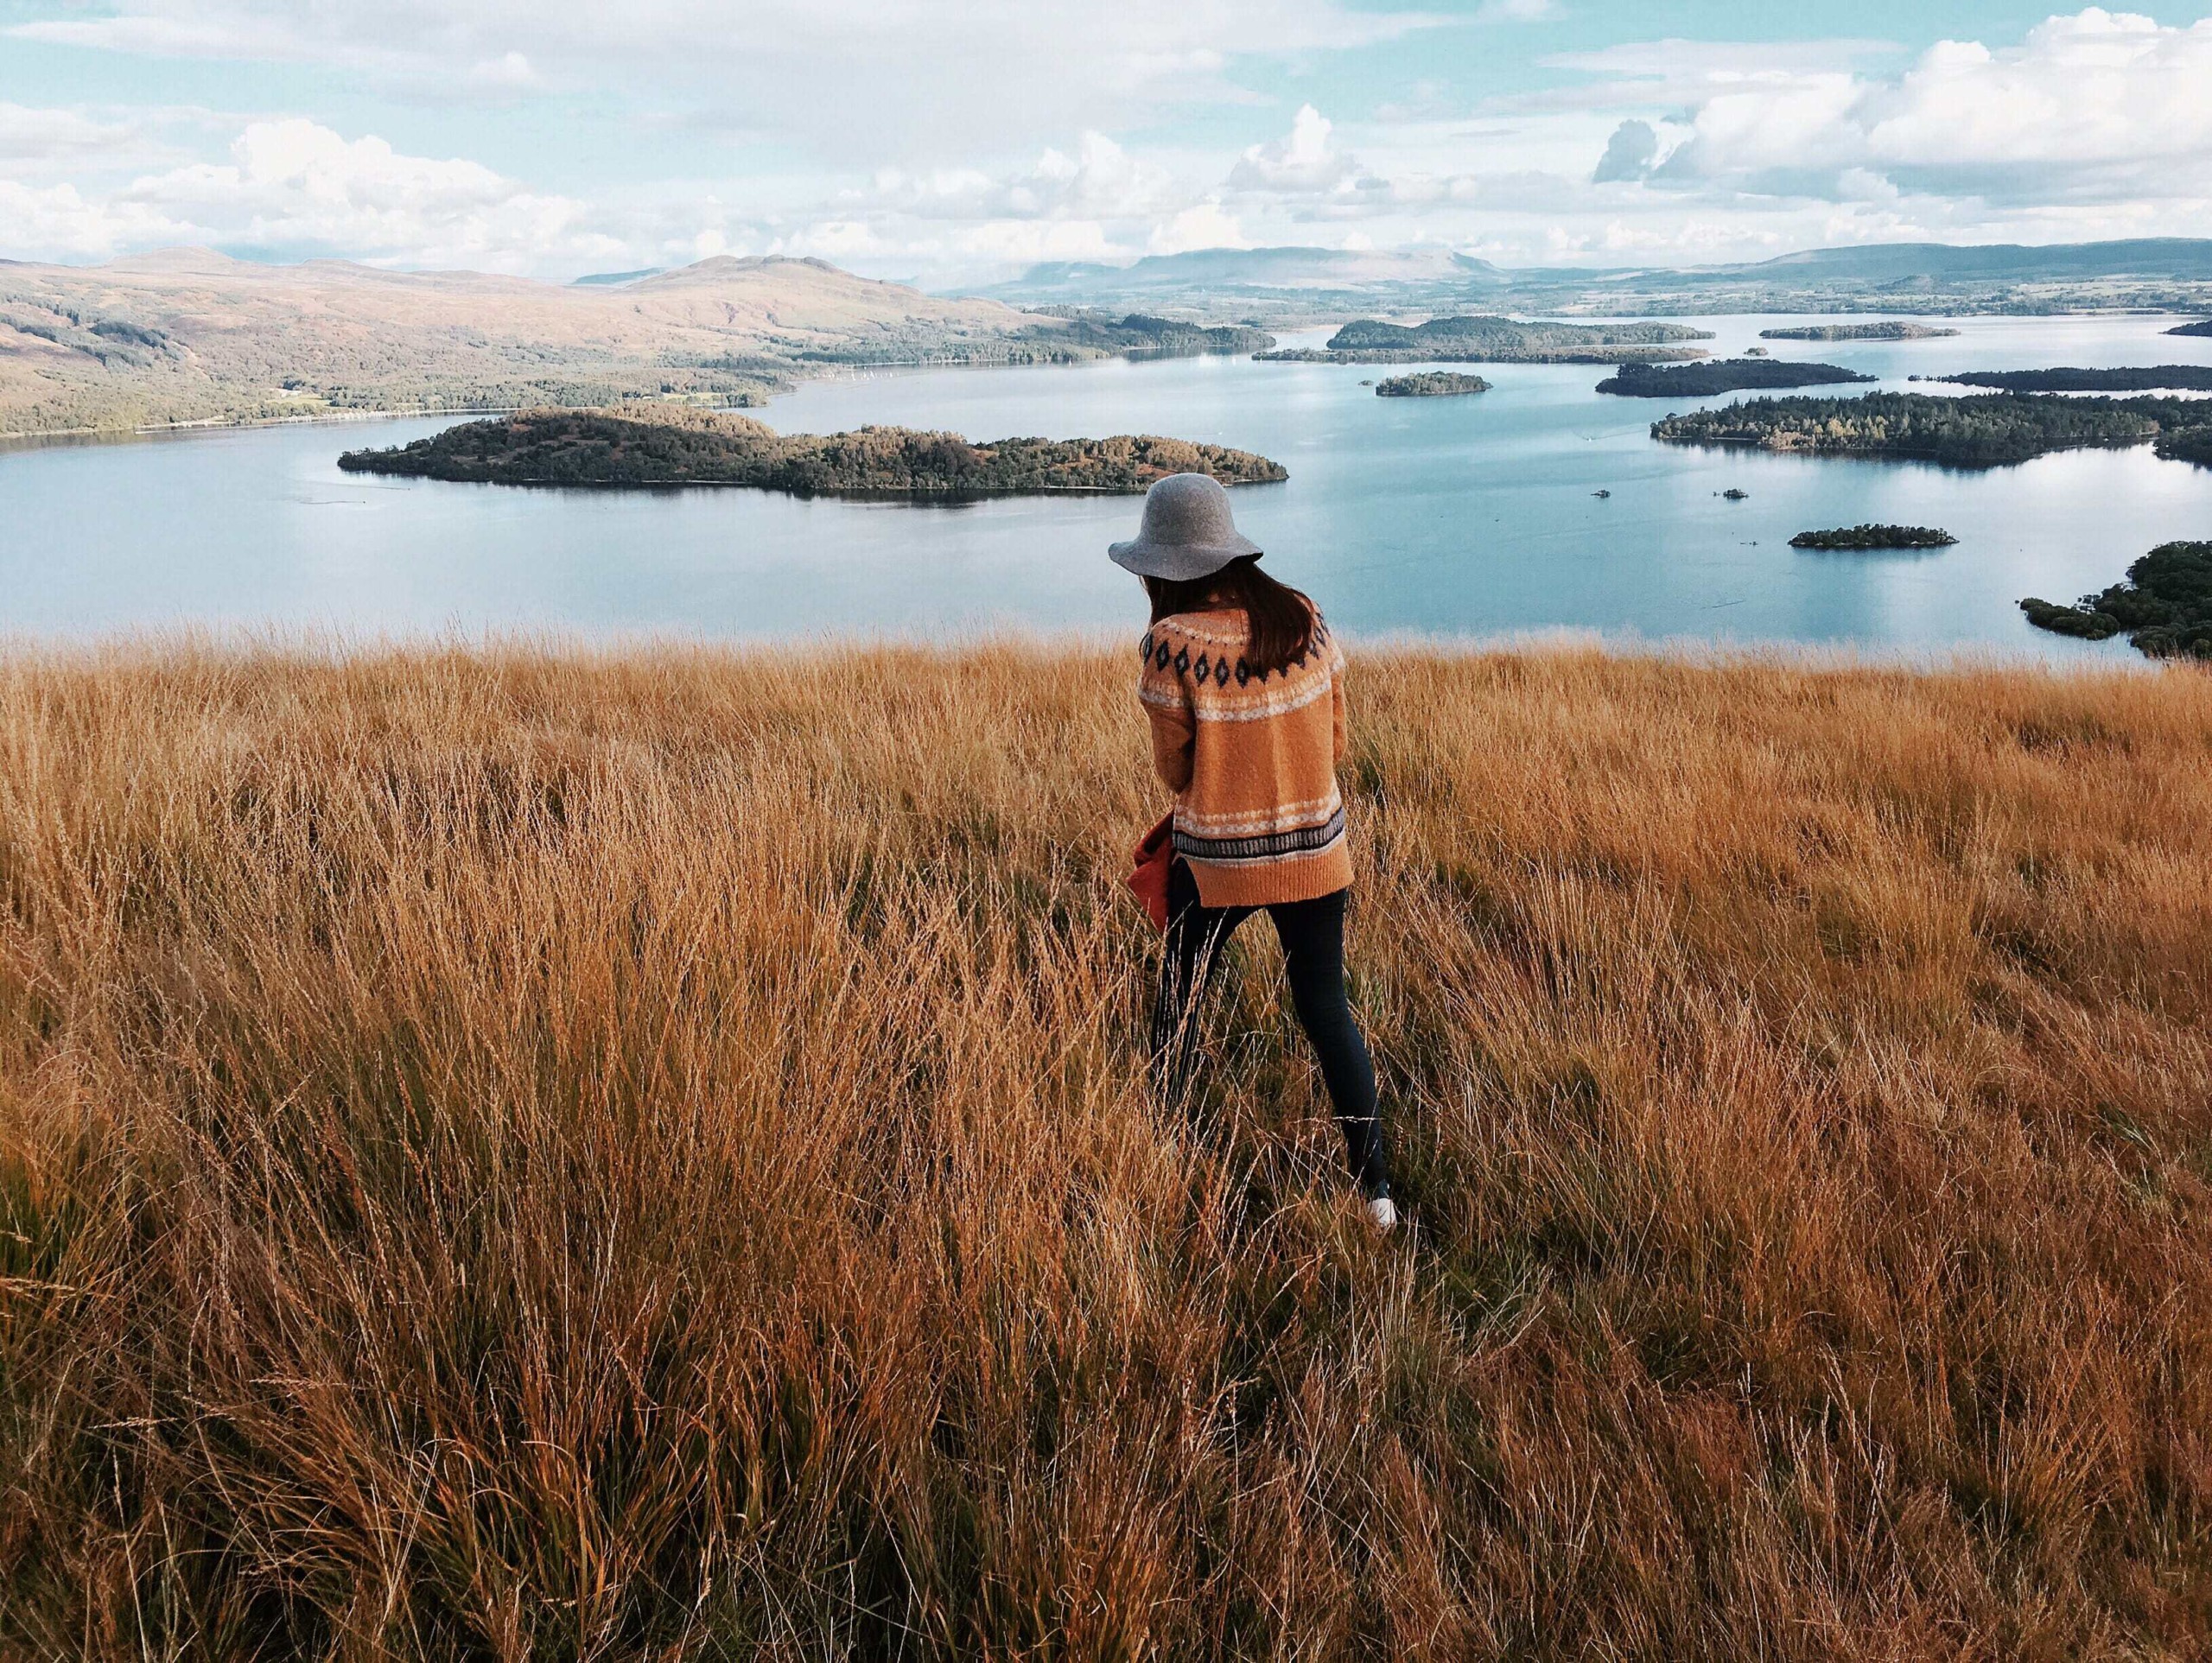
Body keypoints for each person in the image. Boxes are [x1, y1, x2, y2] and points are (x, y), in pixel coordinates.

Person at [1111, 473, 1395, 1232]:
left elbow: (1175, 773)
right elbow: (1335, 743)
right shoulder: (1307, 619)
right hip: (1317, 852)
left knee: (1181, 991)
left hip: (1219, 862)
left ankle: (1166, 1145)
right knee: (1327, 1010)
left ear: (1166, 568)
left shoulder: (1171, 647)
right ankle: (1378, 1196)